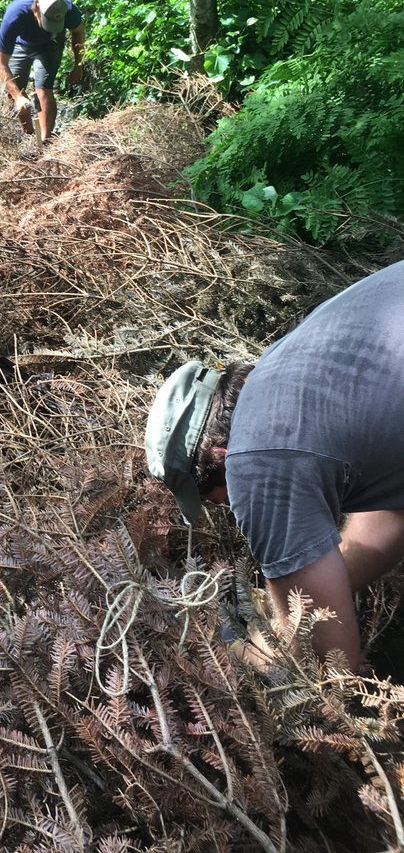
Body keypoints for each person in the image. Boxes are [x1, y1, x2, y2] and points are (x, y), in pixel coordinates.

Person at [145, 260, 404, 672]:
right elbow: (393, 511)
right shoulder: (283, 367)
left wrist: (250, 656)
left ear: (220, 459)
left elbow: (335, 666)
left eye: (214, 501)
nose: (230, 510)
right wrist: (296, 600)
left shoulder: (252, 462)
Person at [0, 0, 86, 141]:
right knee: (15, 88)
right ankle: (29, 136)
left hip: (51, 43)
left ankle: (45, 141)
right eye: (47, 21)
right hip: (20, 43)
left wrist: (78, 66)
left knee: (43, 89)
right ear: (36, 9)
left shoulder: (68, 10)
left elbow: (79, 33)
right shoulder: (15, 14)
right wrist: (17, 96)